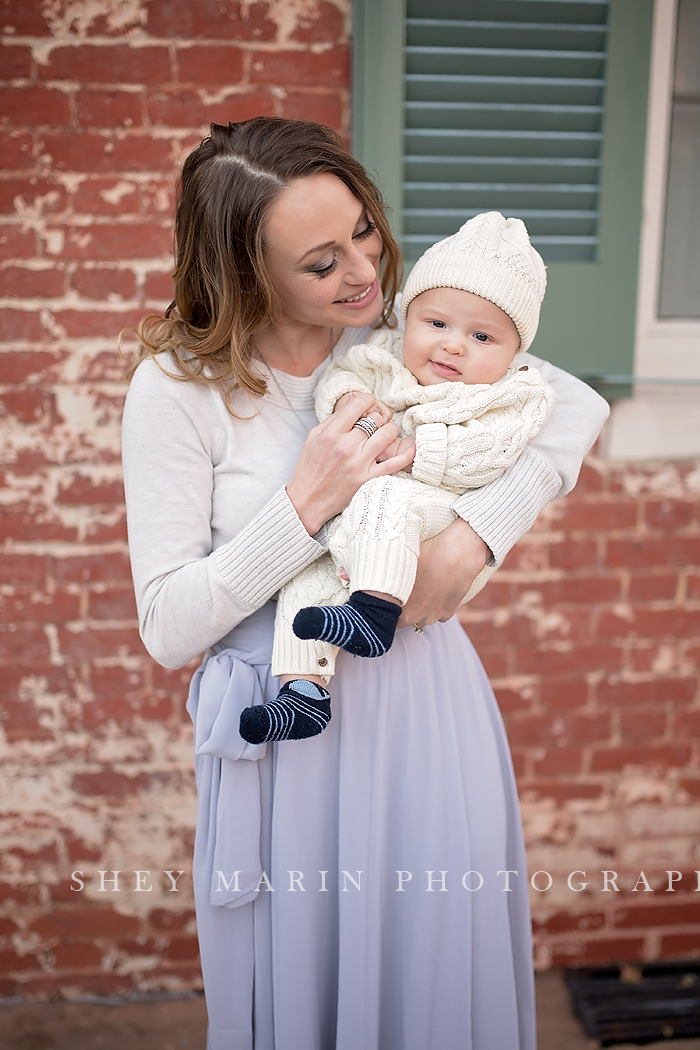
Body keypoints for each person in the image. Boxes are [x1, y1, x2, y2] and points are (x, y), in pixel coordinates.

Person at [121, 117, 609, 1050]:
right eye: (320, 260)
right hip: (290, 730)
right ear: (244, 271)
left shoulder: (398, 335)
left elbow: (572, 404)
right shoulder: (178, 391)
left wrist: (478, 535)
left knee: (430, 986)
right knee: (300, 995)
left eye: (364, 230)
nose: (362, 271)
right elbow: (168, 626)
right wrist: (303, 503)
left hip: (425, 711)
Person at [240, 212, 557, 744]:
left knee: (389, 494)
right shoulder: (385, 357)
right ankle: (303, 693)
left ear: (513, 352)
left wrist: (420, 449)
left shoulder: (512, 394)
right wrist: (348, 402)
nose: (453, 345)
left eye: (481, 335)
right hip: (359, 535)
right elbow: (345, 376)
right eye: (436, 324)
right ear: (408, 319)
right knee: (302, 578)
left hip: (434, 518)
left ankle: (373, 613)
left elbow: (493, 452)